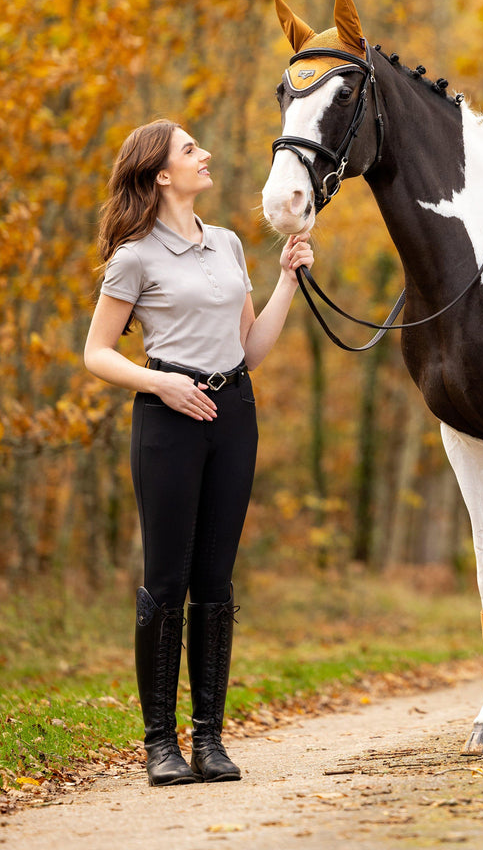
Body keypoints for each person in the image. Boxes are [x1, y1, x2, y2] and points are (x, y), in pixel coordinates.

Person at [84, 119, 313, 786]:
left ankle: (210, 741)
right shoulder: (134, 257)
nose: (204, 154)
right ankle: (161, 744)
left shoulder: (230, 244)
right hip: (168, 421)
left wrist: (287, 283)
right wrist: (162, 382)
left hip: (234, 415)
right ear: (160, 173)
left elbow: (252, 352)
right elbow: (96, 353)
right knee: (166, 581)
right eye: (190, 150)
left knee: (216, 580)